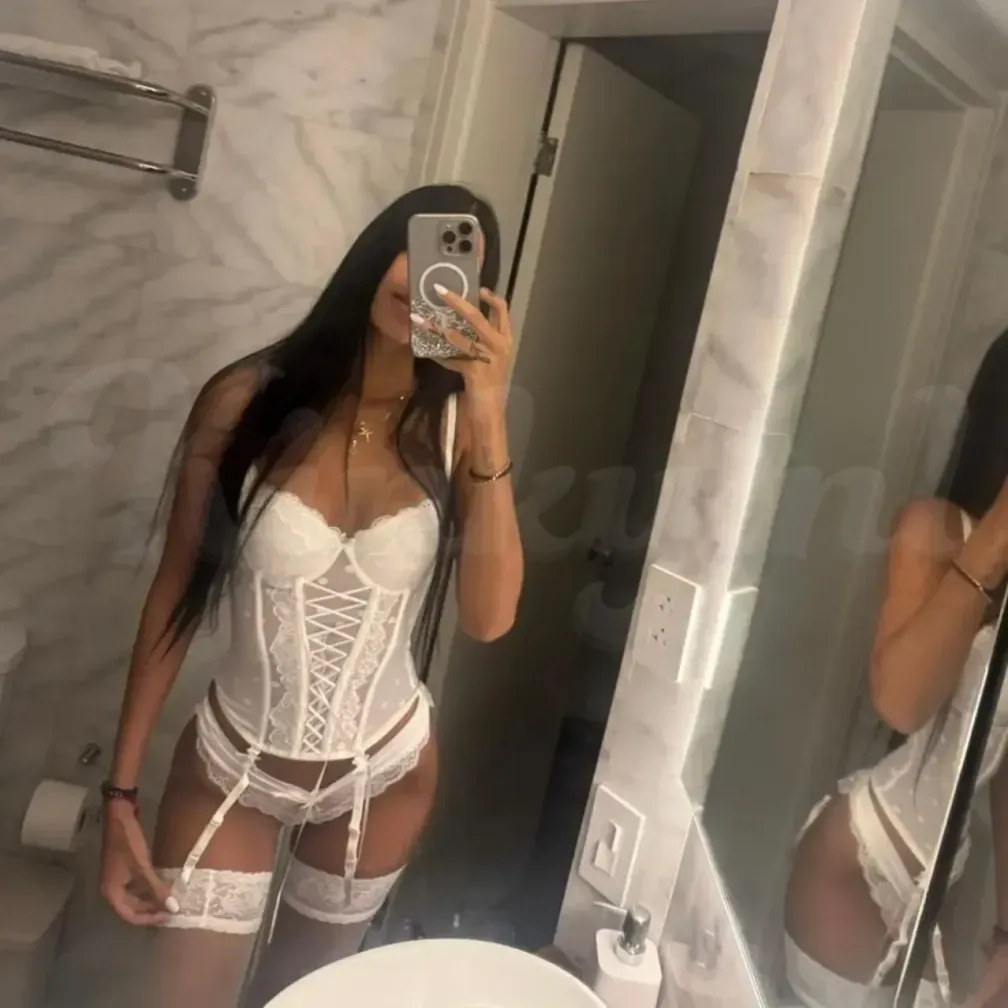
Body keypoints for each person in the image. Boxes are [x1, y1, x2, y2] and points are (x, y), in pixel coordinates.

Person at [98, 184, 524, 1007]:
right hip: (234, 766)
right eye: (414, 249)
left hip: (386, 774)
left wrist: (489, 411)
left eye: (452, 267)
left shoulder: (456, 432)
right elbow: (176, 587)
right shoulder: (245, 400)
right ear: (375, 254)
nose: (423, 280)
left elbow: (489, 618)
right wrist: (119, 797)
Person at [785, 329, 1008, 1008]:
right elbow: (902, 702)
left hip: (936, 881)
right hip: (854, 862)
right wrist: (1000, 530)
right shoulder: (935, 530)